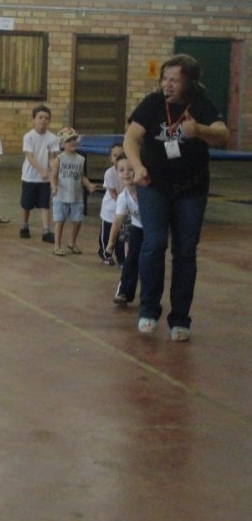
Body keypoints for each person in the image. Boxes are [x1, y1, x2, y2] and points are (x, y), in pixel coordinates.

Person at [124, 54, 229, 340]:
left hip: (191, 188)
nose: (167, 85)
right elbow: (131, 138)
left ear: (189, 82)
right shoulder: (152, 103)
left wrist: (199, 130)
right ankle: (148, 309)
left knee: (185, 250)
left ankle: (180, 318)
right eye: (164, 78)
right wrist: (137, 166)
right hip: (154, 184)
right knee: (154, 243)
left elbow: (223, 135)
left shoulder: (202, 104)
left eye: (174, 80)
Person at [50, 127, 96, 256]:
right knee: (60, 221)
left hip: (76, 196)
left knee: (77, 220)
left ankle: (72, 242)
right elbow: (53, 176)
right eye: (69, 140)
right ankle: (57, 245)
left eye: (74, 139)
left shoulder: (80, 159)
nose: (72, 142)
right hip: (61, 196)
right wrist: (54, 187)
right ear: (63, 144)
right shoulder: (59, 159)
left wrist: (89, 185)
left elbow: (81, 176)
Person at [105, 154, 141, 307]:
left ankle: (149, 296)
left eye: (131, 169)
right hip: (137, 228)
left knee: (149, 263)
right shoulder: (123, 197)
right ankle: (124, 292)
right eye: (121, 170)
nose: (126, 173)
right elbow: (118, 220)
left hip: (153, 229)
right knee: (130, 260)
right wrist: (111, 242)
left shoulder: (147, 191)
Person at [20, 105, 58, 242]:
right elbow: (30, 157)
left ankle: (46, 231)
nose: (43, 120)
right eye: (40, 117)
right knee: (26, 204)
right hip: (30, 177)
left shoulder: (53, 138)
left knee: (44, 204)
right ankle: (24, 226)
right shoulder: (28, 137)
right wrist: (42, 171)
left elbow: (53, 157)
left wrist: (52, 174)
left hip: (45, 180)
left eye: (46, 118)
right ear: (34, 120)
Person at [98, 142, 126, 266]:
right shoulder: (109, 173)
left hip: (122, 211)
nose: (118, 158)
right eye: (115, 155)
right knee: (106, 235)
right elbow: (113, 193)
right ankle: (105, 254)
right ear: (110, 158)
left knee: (121, 237)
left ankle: (122, 259)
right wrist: (124, 203)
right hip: (110, 210)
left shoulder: (128, 171)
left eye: (121, 155)